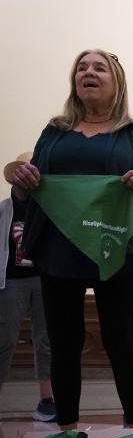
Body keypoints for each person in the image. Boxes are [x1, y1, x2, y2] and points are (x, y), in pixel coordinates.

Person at [9, 49, 133, 429]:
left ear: (116, 81)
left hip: (115, 248)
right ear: (74, 81)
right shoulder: (54, 131)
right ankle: (66, 431)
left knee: (120, 341)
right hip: (59, 249)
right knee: (64, 345)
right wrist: (19, 178)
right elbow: (32, 189)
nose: (88, 72)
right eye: (81, 67)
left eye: (98, 68)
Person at [0, 162, 55, 422]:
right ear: (14, 179)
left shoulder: (46, 208)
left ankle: (47, 399)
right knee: (5, 339)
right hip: (11, 282)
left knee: (46, 340)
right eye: (22, 175)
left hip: (44, 278)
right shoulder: (3, 210)